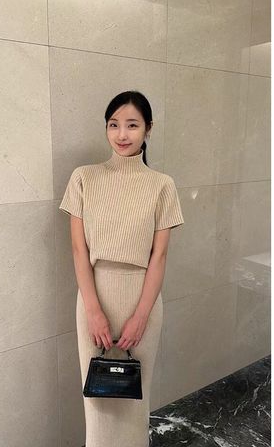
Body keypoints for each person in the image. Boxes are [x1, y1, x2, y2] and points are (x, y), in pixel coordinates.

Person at [59, 90, 185, 447]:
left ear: (148, 129)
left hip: (142, 300)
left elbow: (159, 257)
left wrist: (141, 317)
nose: (122, 134)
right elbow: (79, 250)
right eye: (113, 125)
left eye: (132, 125)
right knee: (96, 403)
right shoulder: (83, 178)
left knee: (134, 404)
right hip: (93, 298)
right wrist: (93, 311)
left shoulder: (162, 185)